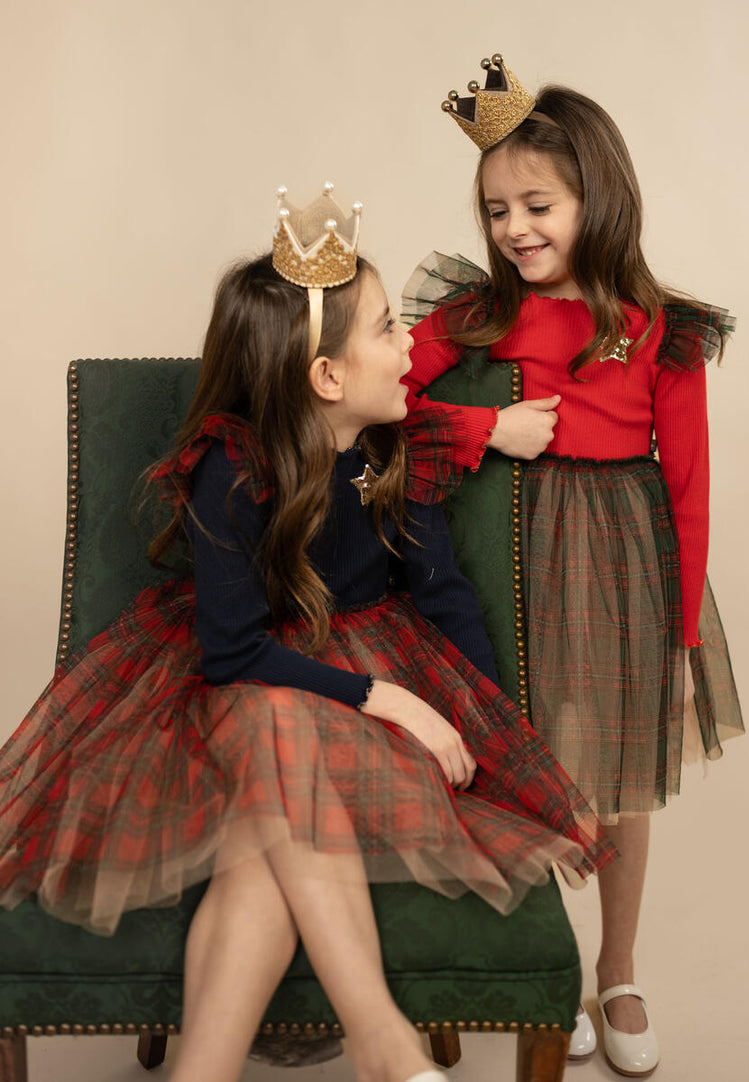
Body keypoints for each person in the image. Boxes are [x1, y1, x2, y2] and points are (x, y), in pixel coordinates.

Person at [0, 184, 615, 1082]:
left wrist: (499, 740)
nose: (411, 343)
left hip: (362, 686)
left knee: (261, 847)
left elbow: (445, 604)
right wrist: (393, 698)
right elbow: (234, 653)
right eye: (384, 329)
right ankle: (382, 1041)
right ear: (327, 378)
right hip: (242, 682)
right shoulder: (233, 468)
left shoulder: (396, 450)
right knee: (268, 717)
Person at [402, 56, 745, 1077]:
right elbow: (384, 402)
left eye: (536, 203)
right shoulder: (472, 311)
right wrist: (484, 423)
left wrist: (682, 632)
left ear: (595, 197)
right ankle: (543, 967)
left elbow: (686, 486)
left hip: (619, 559)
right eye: (496, 208)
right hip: (504, 549)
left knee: (618, 784)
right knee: (532, 774)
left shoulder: (654, 327)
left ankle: (618, 965)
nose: (514, 228)